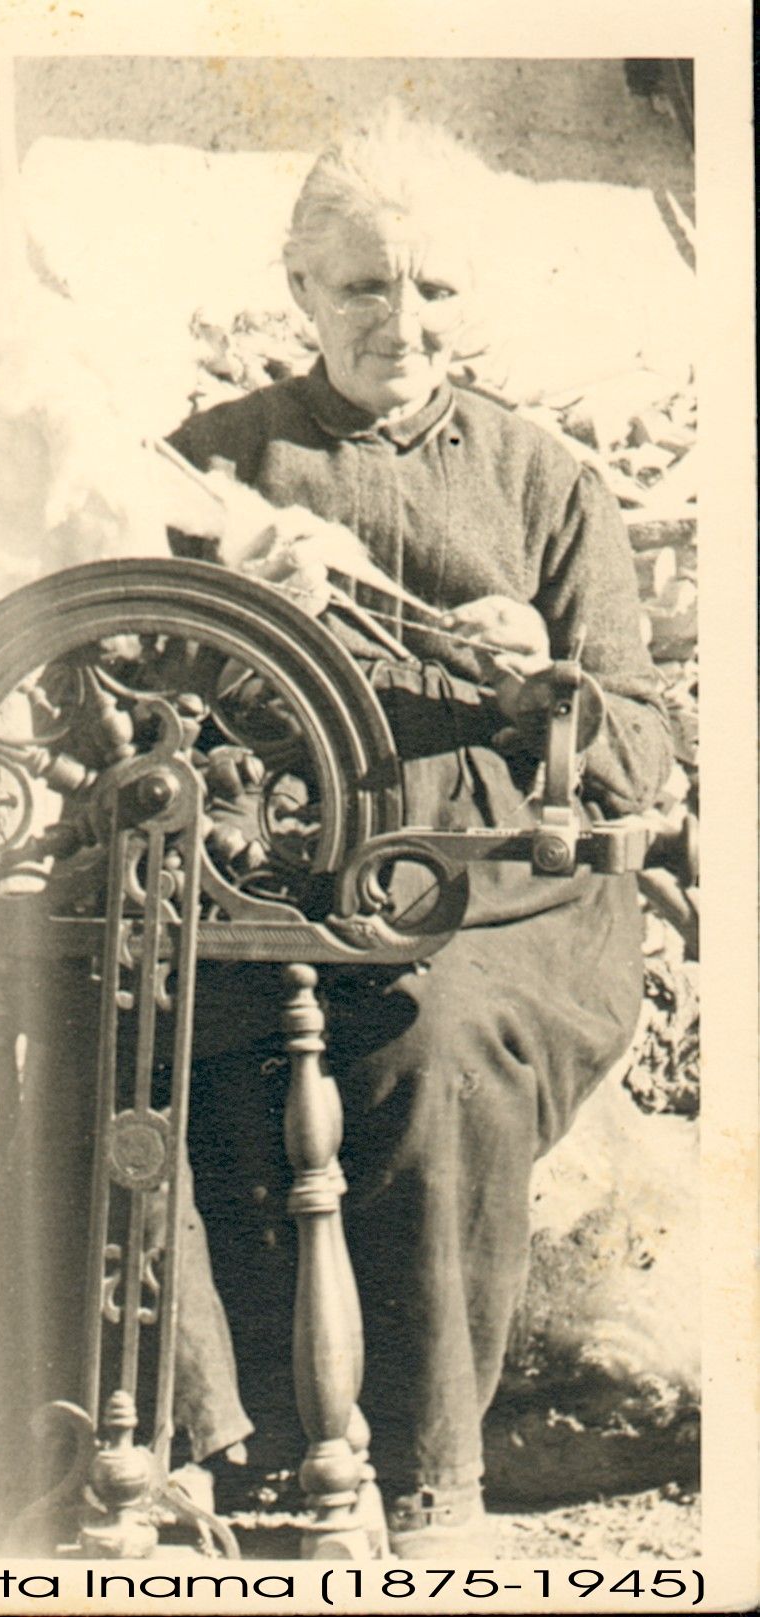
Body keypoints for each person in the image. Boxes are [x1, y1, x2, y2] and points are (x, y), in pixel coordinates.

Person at [160, 105, 672, 1554]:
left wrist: (543, 688)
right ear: (300, 288)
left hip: (502, 888)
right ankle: (217, 1449)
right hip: (271, 864)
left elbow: (640, 751)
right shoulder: (215, 464)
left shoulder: (544, 480)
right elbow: (142, 686)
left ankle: (428, 1475)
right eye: (365, 285)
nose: (403, 319)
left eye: (433, 285)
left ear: (471, 293)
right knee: (146, 1025)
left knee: (429, 1039)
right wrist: (241, 641)